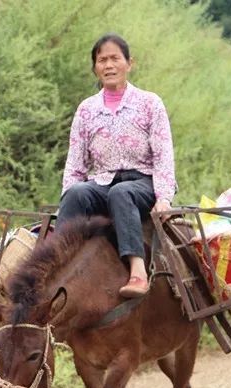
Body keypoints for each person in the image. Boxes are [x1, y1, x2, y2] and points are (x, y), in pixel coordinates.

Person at [58, 33, 177, 298]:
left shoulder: (149, 103)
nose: (109, 65)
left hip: (141, 182)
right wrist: (68, 197)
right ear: (95, 68)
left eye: (115, 58)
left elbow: (163, 154)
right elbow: (75, 162)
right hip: (102, 181)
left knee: (121, 193)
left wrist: (164, 197)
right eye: (102, 60)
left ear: (129, 63)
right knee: (76, 193)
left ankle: (138, 271)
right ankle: (56, 263)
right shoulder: (86, 110)